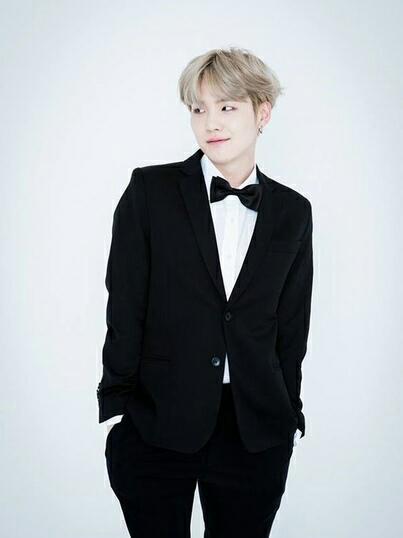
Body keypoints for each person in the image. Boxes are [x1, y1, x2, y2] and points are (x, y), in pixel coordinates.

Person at [97, 46, 314, 538]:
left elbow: (292, 324)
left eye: (226, 107)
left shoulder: (293, 212)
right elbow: (124, 304)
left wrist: (288, 413)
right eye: (198, 109)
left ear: (263, 113)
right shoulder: (150, 192)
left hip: (254, 429)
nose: (210, 122)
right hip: (158, 420)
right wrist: (119, 408)